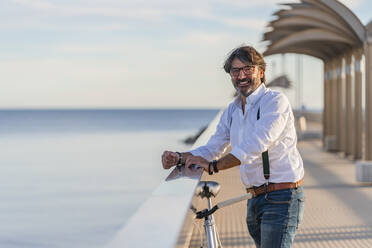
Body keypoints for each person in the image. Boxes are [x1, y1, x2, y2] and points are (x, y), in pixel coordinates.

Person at [161, 45, 304, 248]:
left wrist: (214, 167)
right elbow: (213, 147)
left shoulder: (275, 102)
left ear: (261, 72)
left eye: (247, 69)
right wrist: (180, 157)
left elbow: (257, 144)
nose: (241, 76)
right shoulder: (232, 110)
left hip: (282, 197)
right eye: (235, 71)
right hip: (254, 198)